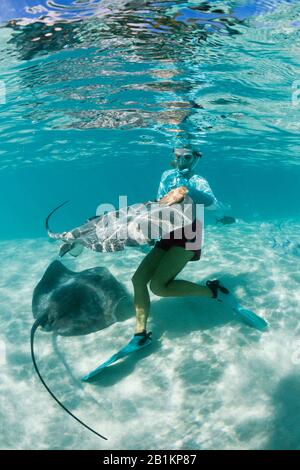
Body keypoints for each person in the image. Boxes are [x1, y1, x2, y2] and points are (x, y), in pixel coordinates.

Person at [131, 146, 229, 346]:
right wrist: (148, 230)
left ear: (195, 159)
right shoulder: (166, 175)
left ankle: (212, 291)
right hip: (167, 230)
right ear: (173, 158)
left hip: (189, 233)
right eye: (178, 157)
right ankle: (139, 334)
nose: (182, 161)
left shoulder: (198, 180)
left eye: (187, 157)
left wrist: (187, 190)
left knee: (158, 287)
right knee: (138, 279)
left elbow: (212, 203)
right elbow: (159, 203)